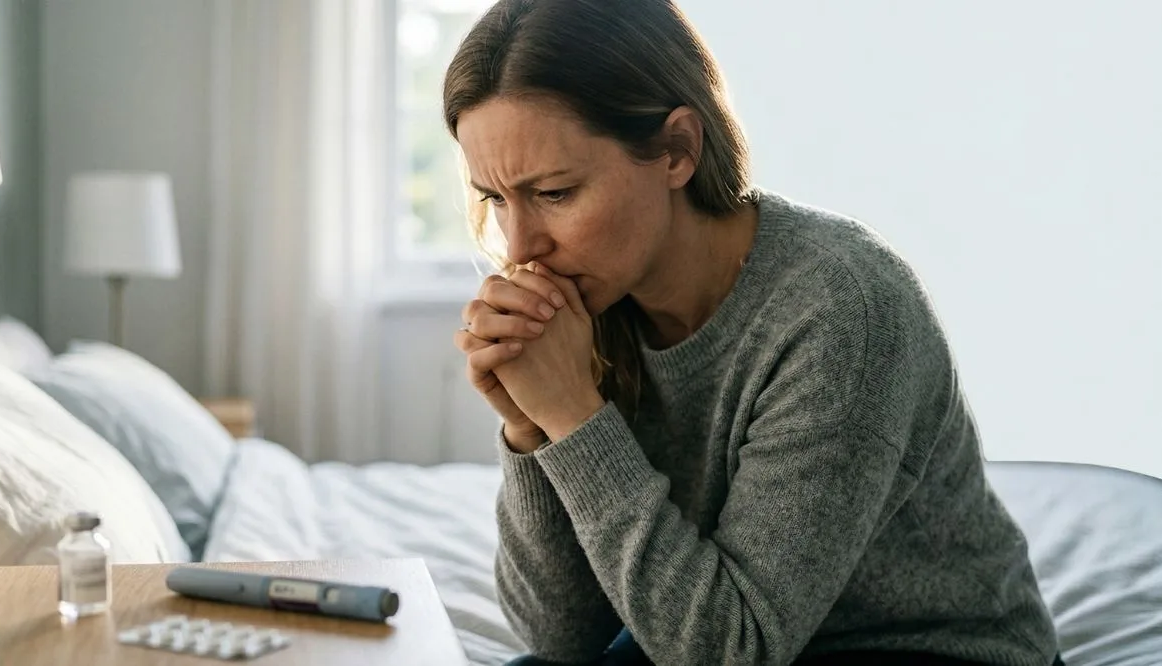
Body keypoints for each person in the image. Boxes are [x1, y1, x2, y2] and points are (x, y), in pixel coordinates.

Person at [446, 1, 1064, 665]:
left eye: (555, 193)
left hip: (922, 649)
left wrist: (573, 417)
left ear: (678, 148)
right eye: (493, 199)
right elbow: (560, 639)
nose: (520, 247)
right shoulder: (597, 302)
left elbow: (728, 653)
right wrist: (532, 431)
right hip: (726, 624)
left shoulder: (838, 308)